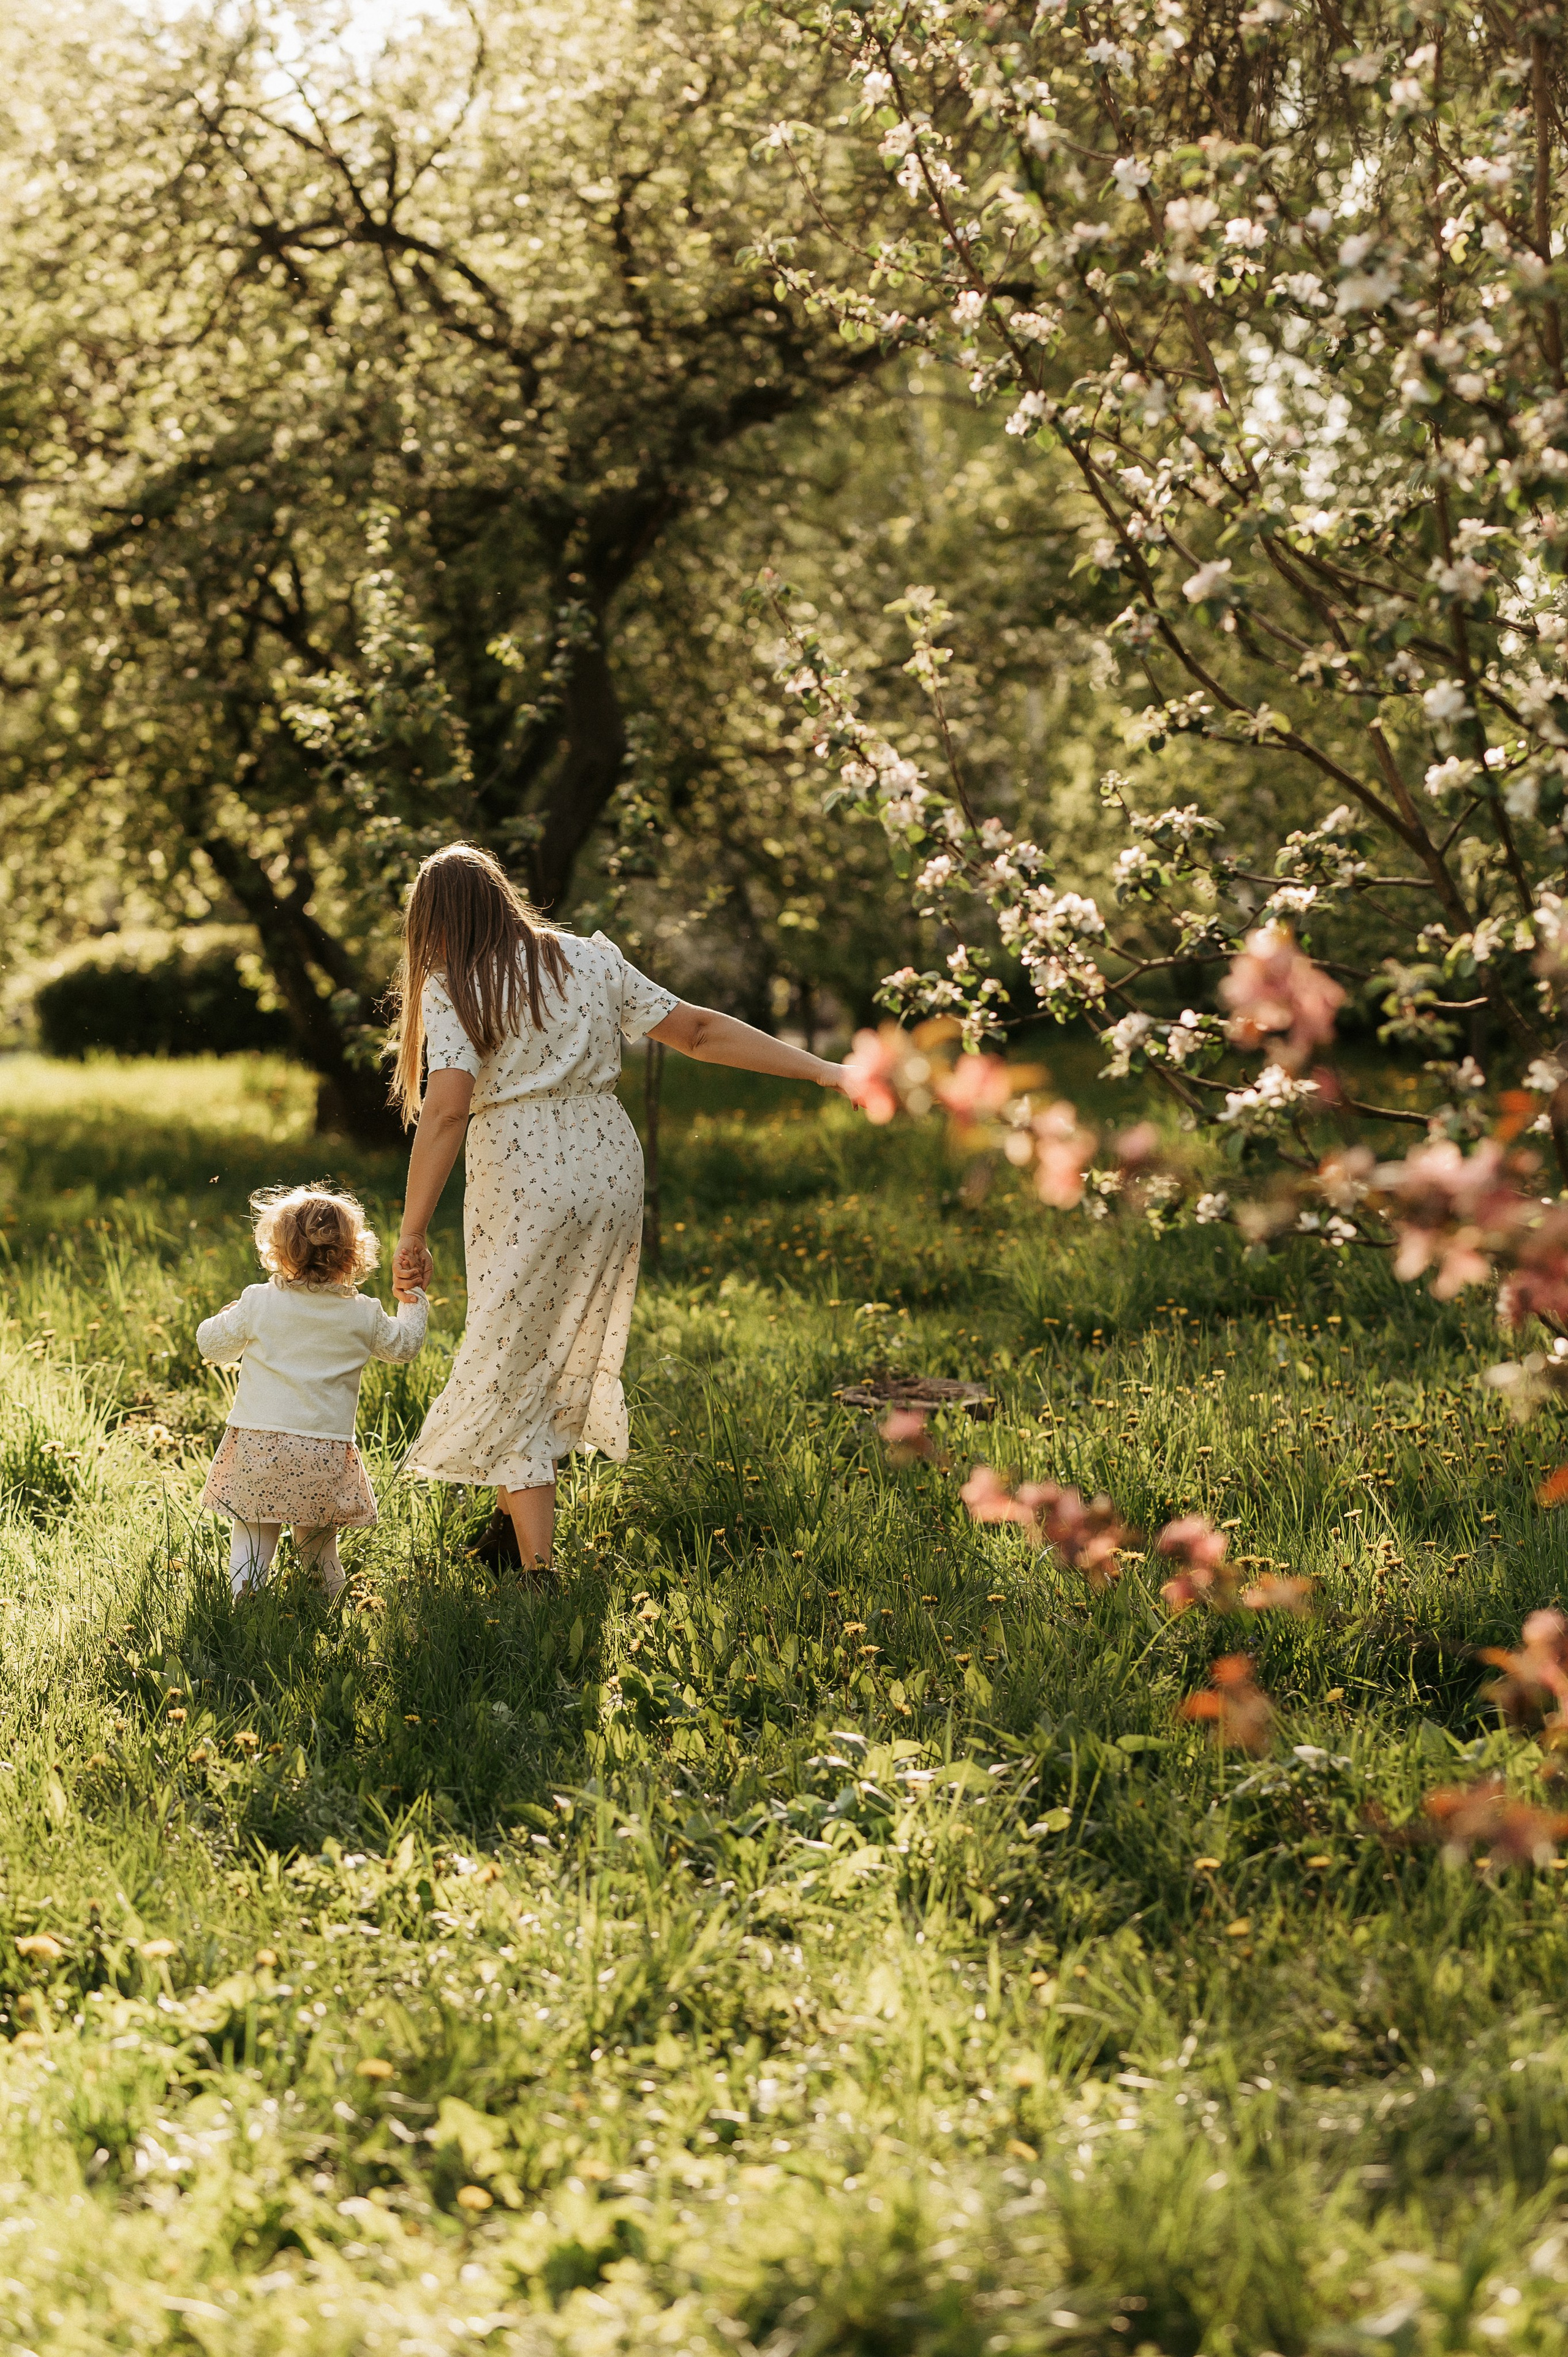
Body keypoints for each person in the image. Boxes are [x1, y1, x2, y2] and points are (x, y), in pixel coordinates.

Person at [390, 842, 850, 1574]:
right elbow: (698, 1031)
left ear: (432, 925)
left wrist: (411, 1230)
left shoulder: (457, 982)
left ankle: (538, 1573)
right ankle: (507, 1533)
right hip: (607, 1162)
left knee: (510, 1354)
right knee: (536, 1347)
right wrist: (825, 1069)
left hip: (525, 1170)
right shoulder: (586, 959)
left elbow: (446, 1110)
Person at [197, 1185, 428, 1603]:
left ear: (280, 1250)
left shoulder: (258, 1302)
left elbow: (214, 1348)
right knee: (320, 1548)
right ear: (354, 1254)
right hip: (322, 1452)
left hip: (258, 1445)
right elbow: (405, 1347)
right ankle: (332, 1610)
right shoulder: (363, 1313)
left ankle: (244, 1600)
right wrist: (411, 1300)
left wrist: (225, 1317)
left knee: (252, 1533)